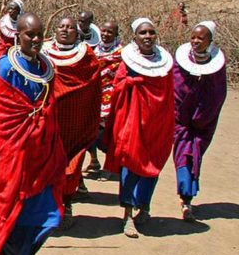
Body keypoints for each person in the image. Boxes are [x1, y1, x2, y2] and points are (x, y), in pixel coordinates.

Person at [0, 13, 65, 255]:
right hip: (16, 152)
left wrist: (43, 127)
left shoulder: (47, 67)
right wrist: (32, 122)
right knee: (13, 211)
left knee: (47, 215)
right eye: (29, 34)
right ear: (17, 36)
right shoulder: (6, 68)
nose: (35, 39)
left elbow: (50, 108)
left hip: (42, 153)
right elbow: (5, 113)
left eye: (39, 34)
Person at [104, 17, 174, 239]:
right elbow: (118, 88)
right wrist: (132, 84)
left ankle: (144, 206)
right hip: (133, 121)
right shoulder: (129, 62)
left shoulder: (165, 64)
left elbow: (169, 94)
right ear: (134, 37)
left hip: (157, 122)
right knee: (131, 164)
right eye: (143, 33)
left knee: (152, 164)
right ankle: (127, 216)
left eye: (151, 33)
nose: (147, 37)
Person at [43, 17, 101, 229]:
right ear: (54, 29)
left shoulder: (86, 55)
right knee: (47, 163)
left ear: (77, 33)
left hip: (75, 120)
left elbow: (93, 85)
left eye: (70, 27)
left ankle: (66, 205)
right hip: (49, 119)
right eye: (61, 26)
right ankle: (48, 208)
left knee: (71, 164)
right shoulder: (43, 51)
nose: (65, 30)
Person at [172, 21, 227, 222]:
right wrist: (183, 113)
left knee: (195, 156)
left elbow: (218, 94)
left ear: (210, 41)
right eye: (193, 37)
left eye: (201, 38)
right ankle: (185, 199)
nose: (196, 41)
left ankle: (187, 197)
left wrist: (202, 117)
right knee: (183, 156)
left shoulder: (217, 67)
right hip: (181, 122)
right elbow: (176, 88)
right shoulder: (180, 62)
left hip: (204, 123)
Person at [86, 20, 122, 173]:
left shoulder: (122, 53)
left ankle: (115, 160)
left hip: (112, 97)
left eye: (110, 32)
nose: (106, 35)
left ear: (116, 35)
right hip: (94, 95)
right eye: (104, 31)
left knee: (107, 132)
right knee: (88, 130)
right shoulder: (92, 50)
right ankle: (94, 160)